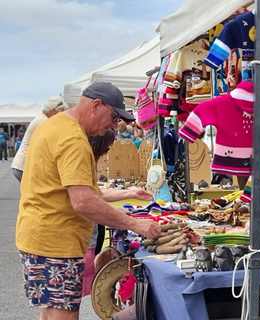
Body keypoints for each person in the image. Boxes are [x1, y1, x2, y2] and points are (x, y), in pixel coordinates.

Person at [16, 82, 162, 320]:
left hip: (39, 236)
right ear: (96, 105)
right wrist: (135, 224)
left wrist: (128, 194)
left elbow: (86, 194)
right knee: (64, 316)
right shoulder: (73, 139)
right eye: (114, 117)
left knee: (51, 313)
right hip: (56, 243)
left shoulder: (53, 125)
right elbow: (83, 201)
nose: (114, 125)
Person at [82, 129, 154, 296]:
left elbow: (96, 195)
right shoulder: (82, 161)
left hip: (84, 238)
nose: (108, 153)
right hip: (78, 240)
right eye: (107, 148)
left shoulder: (87, 162)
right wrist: (129, 221)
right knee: (69, 303)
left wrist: (131, 193)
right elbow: (86, 202)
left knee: (71, 301)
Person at [11, 96, 68, 182]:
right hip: (25, 165)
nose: (61, 115)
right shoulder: (44, 122)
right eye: (60, 112)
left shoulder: (41, 118)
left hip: (21, 164)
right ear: (53, 110)